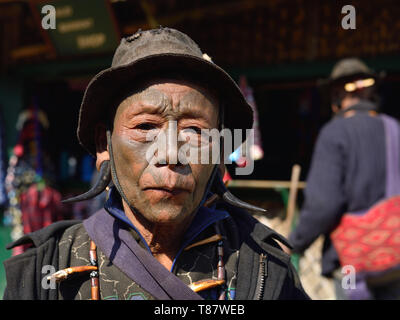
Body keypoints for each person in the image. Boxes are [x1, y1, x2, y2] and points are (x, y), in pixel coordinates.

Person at [3, 27, 308, 300]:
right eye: (146, 127)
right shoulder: (46, 268)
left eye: (194, 131)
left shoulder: (265, 267)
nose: (171, 154)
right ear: (102, 145)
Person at [288, 57, 400, 299]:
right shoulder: (394, 129)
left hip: (351, 263)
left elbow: (324, 204)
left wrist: (294, 243)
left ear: (337, 96)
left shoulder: (333, 133)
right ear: (371, 91)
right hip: (395, 259)